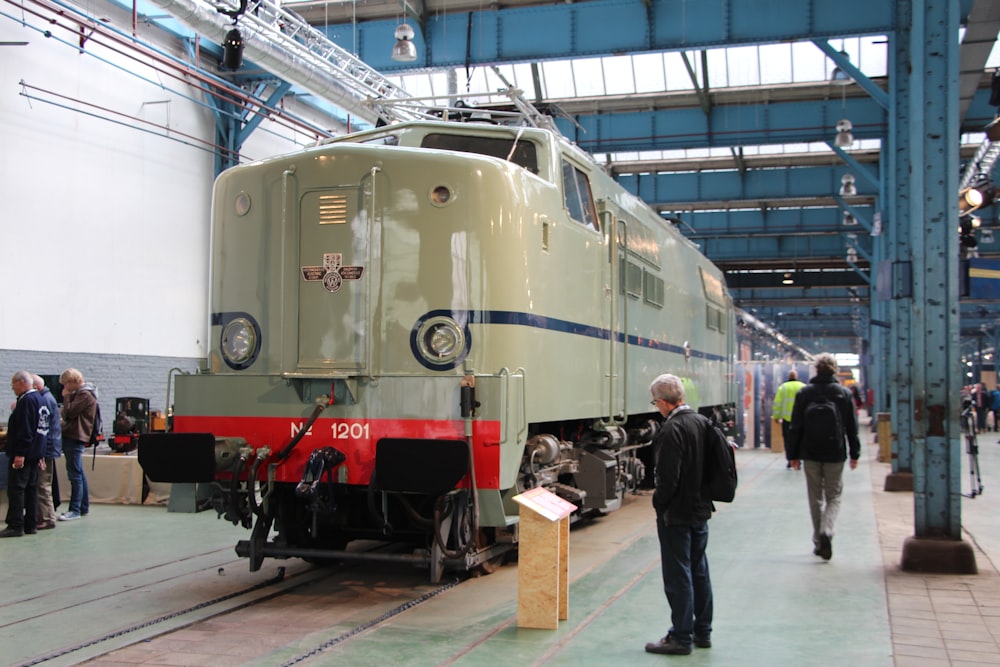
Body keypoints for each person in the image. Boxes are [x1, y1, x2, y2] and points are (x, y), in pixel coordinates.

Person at [644, 373, 714, 656]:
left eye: (655, 402)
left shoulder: (672, 430)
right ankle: (702, 632)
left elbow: (668, 479)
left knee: (678, 574)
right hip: (700, 510)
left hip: (677, 514)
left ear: (662, 402)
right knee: (699, 570)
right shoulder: (703, 423)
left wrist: (659, 502)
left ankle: (681, 637)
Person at [786, 353, 861, 561]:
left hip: (810, 453)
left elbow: (795, 427)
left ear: (816, 369)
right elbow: (851, 428)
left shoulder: (804, 393)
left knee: (815, 497)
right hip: (835, 453)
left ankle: (819, 542)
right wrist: (855, 453)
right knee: (834, 496)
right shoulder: (843, 393)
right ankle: (827, 530)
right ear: (834, 370)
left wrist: (793, 455)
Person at [2, 371, 48, 538]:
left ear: (21, 382)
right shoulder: (40, 399)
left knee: (17, 489)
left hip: (25, 453)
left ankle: (15, 525)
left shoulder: (26, 401)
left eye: (13, 384)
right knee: (30, 489)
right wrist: (40, 453)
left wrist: (20, 453)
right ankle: (30, 524)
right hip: (35, 453)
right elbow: (42, 430)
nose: (12, 388)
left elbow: (25, 430)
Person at [59, 368, 97, 521]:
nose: (65, 388)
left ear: (72, 381)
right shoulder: (84, 394)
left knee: (74, 474)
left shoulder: (83, 395)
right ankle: (83, 507)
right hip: (76, 435)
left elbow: (69, 413)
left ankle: (74, 509)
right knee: (78, 472)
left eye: (66, 384)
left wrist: (67, 397)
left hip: (75, 436)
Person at [34, 374, 62, 530]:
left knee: (43, 484)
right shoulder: (49, 398)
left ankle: (47, 518)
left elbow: (43, 429)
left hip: (47, 448)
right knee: (44, 484)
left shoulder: (44, 400)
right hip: (51, 447)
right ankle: (45, 516)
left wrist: (41, 453)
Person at [772, 370, 805, 469]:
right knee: (800, 440)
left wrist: (777, 417)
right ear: (797, 376)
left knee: (788, 441)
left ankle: (790, 459)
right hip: (800, 420)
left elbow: (777, 403)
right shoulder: (803, 387)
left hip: (787, 420)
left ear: (788, 377)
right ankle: (798, 459)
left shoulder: (783, 388)